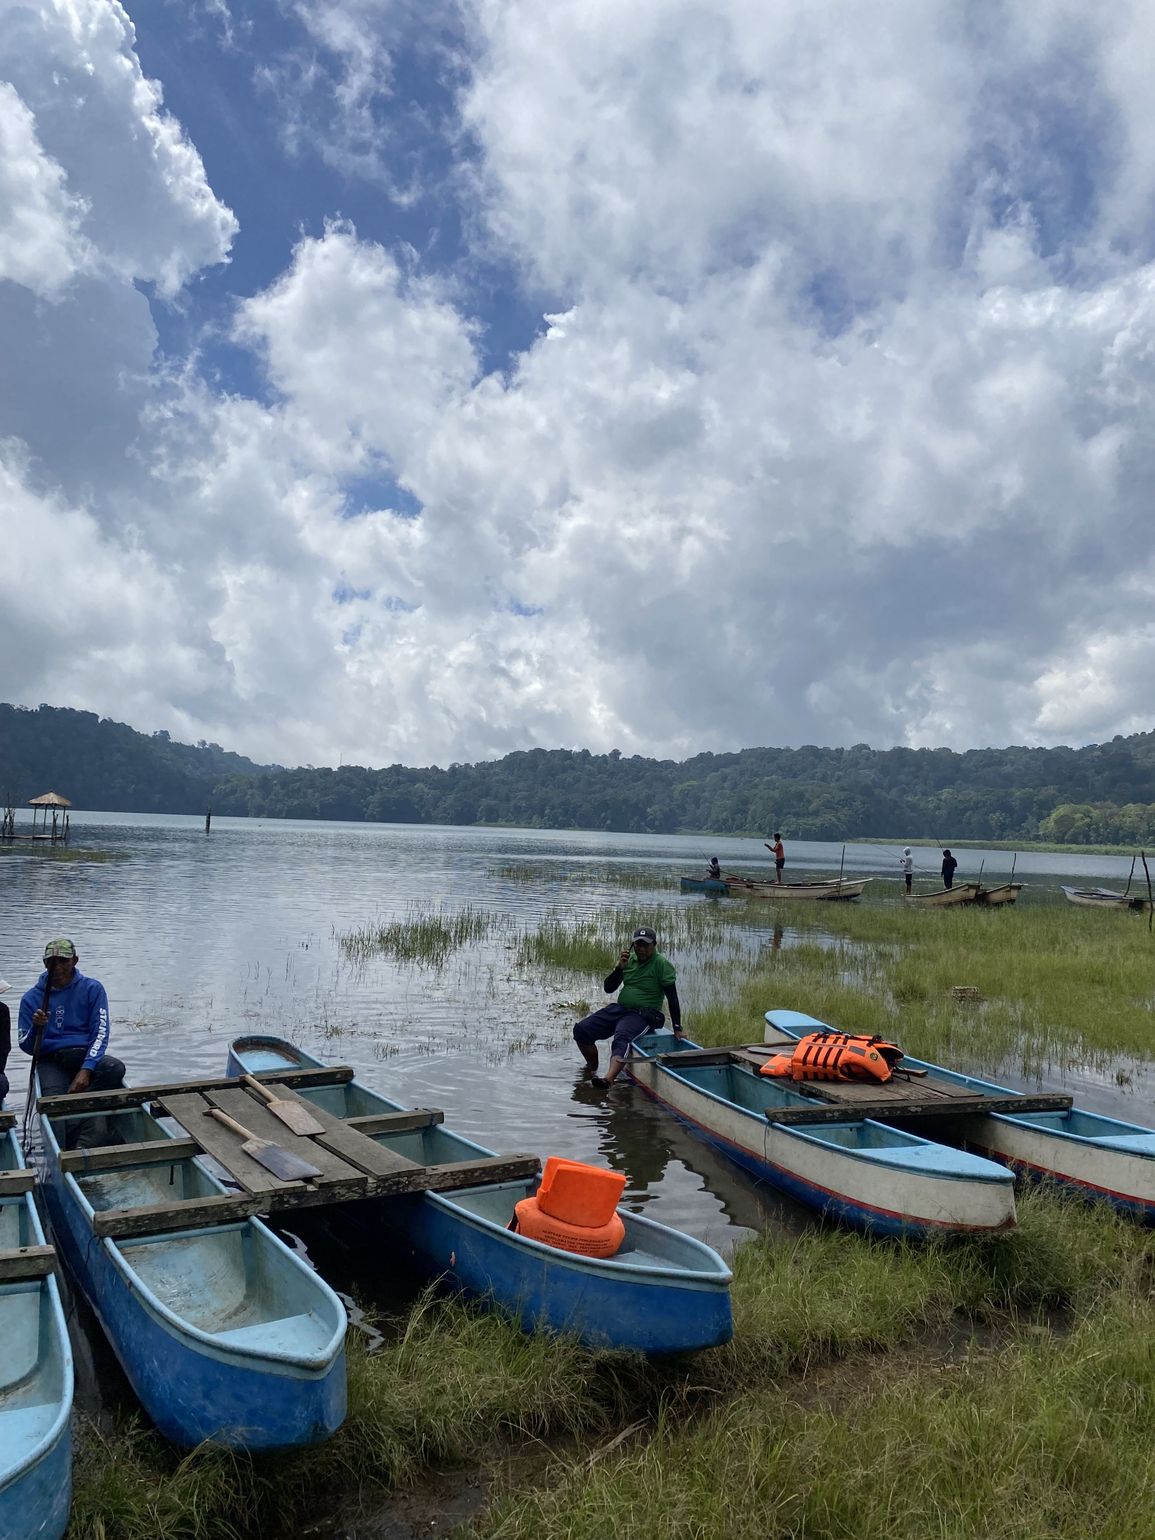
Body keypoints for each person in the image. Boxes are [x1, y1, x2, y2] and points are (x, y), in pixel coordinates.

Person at [19, 938, 126, 1149]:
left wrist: (87, 1069)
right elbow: (26, 1045)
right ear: (44, 964)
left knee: (114, 1069)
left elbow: (100, 1032)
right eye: (51, 961)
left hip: (82, 1054)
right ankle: (64, 1145)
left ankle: (76, 1115)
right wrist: (36, 1029)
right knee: (52, 1102)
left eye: (63, 961)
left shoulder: (92, 989)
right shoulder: (31, 998)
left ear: (74, 961)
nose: (57, 967)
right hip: (51, 1059)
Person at [573, 927, 683, 1088]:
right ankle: (592, 1069)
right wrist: (619, 968)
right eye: (638, 944)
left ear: (654, 945)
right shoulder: (628, 960)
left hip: (642, 1014)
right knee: (581, 1030)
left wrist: (677, 1027)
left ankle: (608, 1080)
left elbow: (673, 998)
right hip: (620, 1009)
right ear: (633, 945)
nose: (641, 949)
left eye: (646, 945)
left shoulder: (661, 964)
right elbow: (608, 988)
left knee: (622, 1035)